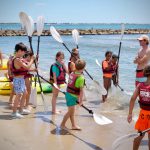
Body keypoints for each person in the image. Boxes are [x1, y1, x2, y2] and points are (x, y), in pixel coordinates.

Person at [127, 65, 150, 150]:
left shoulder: (140, 85)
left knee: (139, 135)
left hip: (143, 115)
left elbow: (132, 99)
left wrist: (130, 114)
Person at [60, 59, 86, 130]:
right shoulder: (81, 78)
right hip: (72, 96)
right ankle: (62, 124)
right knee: (70, 112)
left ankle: (73, 125)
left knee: (72, 112)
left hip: (68, 94)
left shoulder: (72, 73)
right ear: (83, 68)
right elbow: (81, 91)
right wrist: (81, 101)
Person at [11, 43, 35, 118]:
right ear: (19, 51)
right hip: (18, 80)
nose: (24, 53)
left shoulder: (20, 59)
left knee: (25, 93)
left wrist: (34, 69)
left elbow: (26, 67)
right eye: (24, 51)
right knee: (19, 95)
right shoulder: (17, 60)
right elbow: (27, 67)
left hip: (21, 79)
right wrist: (32, 59)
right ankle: (14, 112)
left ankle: (21, 110)